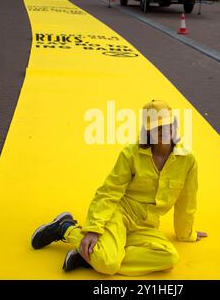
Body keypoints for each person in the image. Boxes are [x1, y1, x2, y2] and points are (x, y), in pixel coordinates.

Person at [31, 100, 208, 276]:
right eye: (156, 127)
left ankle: (92, 255)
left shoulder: (188, 160)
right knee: (108, 265)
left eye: (167, 124)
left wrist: (186, 234)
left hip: (146, 226)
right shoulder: (131, 154)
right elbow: (109, 191)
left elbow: (187, 199)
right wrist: (93, 228)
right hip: (119, 216)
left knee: (169, 258)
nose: (163, 131)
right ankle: (66, 228)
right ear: (147, 131)